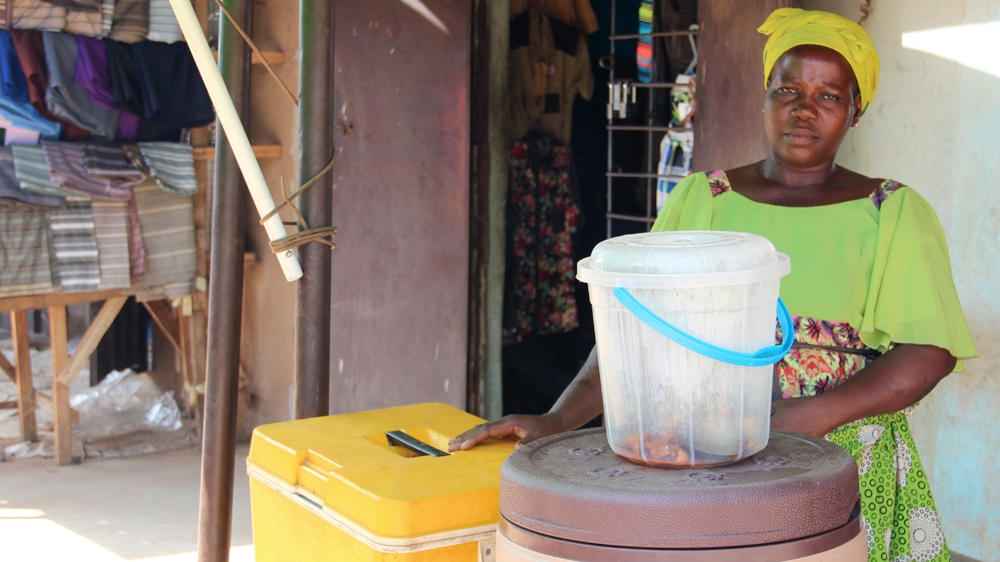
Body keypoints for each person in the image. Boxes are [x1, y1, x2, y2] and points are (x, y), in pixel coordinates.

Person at [450, 8, 978, 562]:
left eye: (829, 96)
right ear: (764, 97)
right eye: (788, 90)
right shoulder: (703, 200)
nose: (804, 109)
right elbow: (634, 328)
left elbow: (929, 352)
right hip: (703, 462)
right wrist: (557, 419)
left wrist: (812, 416)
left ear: (856, 111)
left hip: (841, 463)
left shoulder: (891, 212)